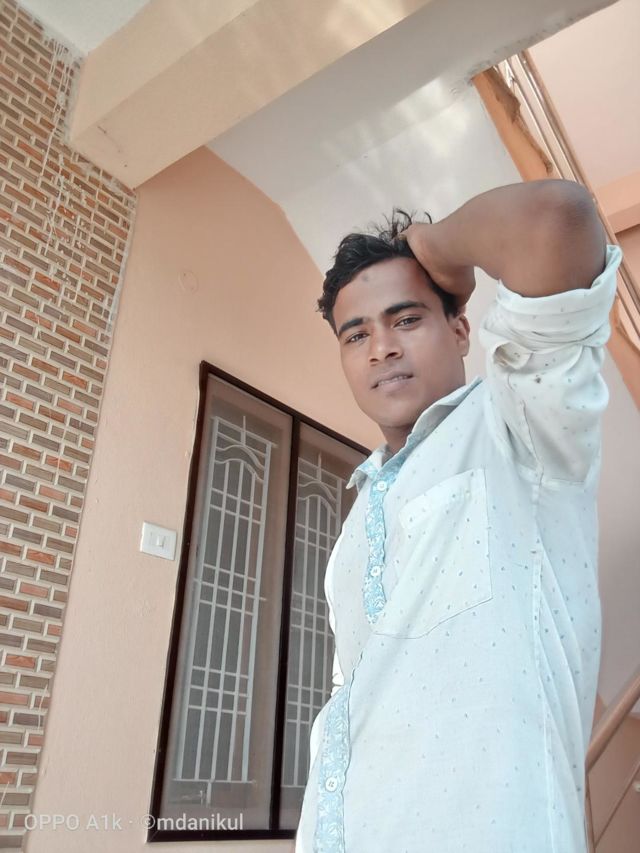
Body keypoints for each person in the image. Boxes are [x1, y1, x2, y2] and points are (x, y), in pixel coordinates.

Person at [294, 179, 623, 853]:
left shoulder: (519, 427)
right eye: (356, 334)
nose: (381, 348)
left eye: (406, 319)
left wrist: (434, 248)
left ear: (460, 328)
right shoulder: (354, 527)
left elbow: (554, 217)